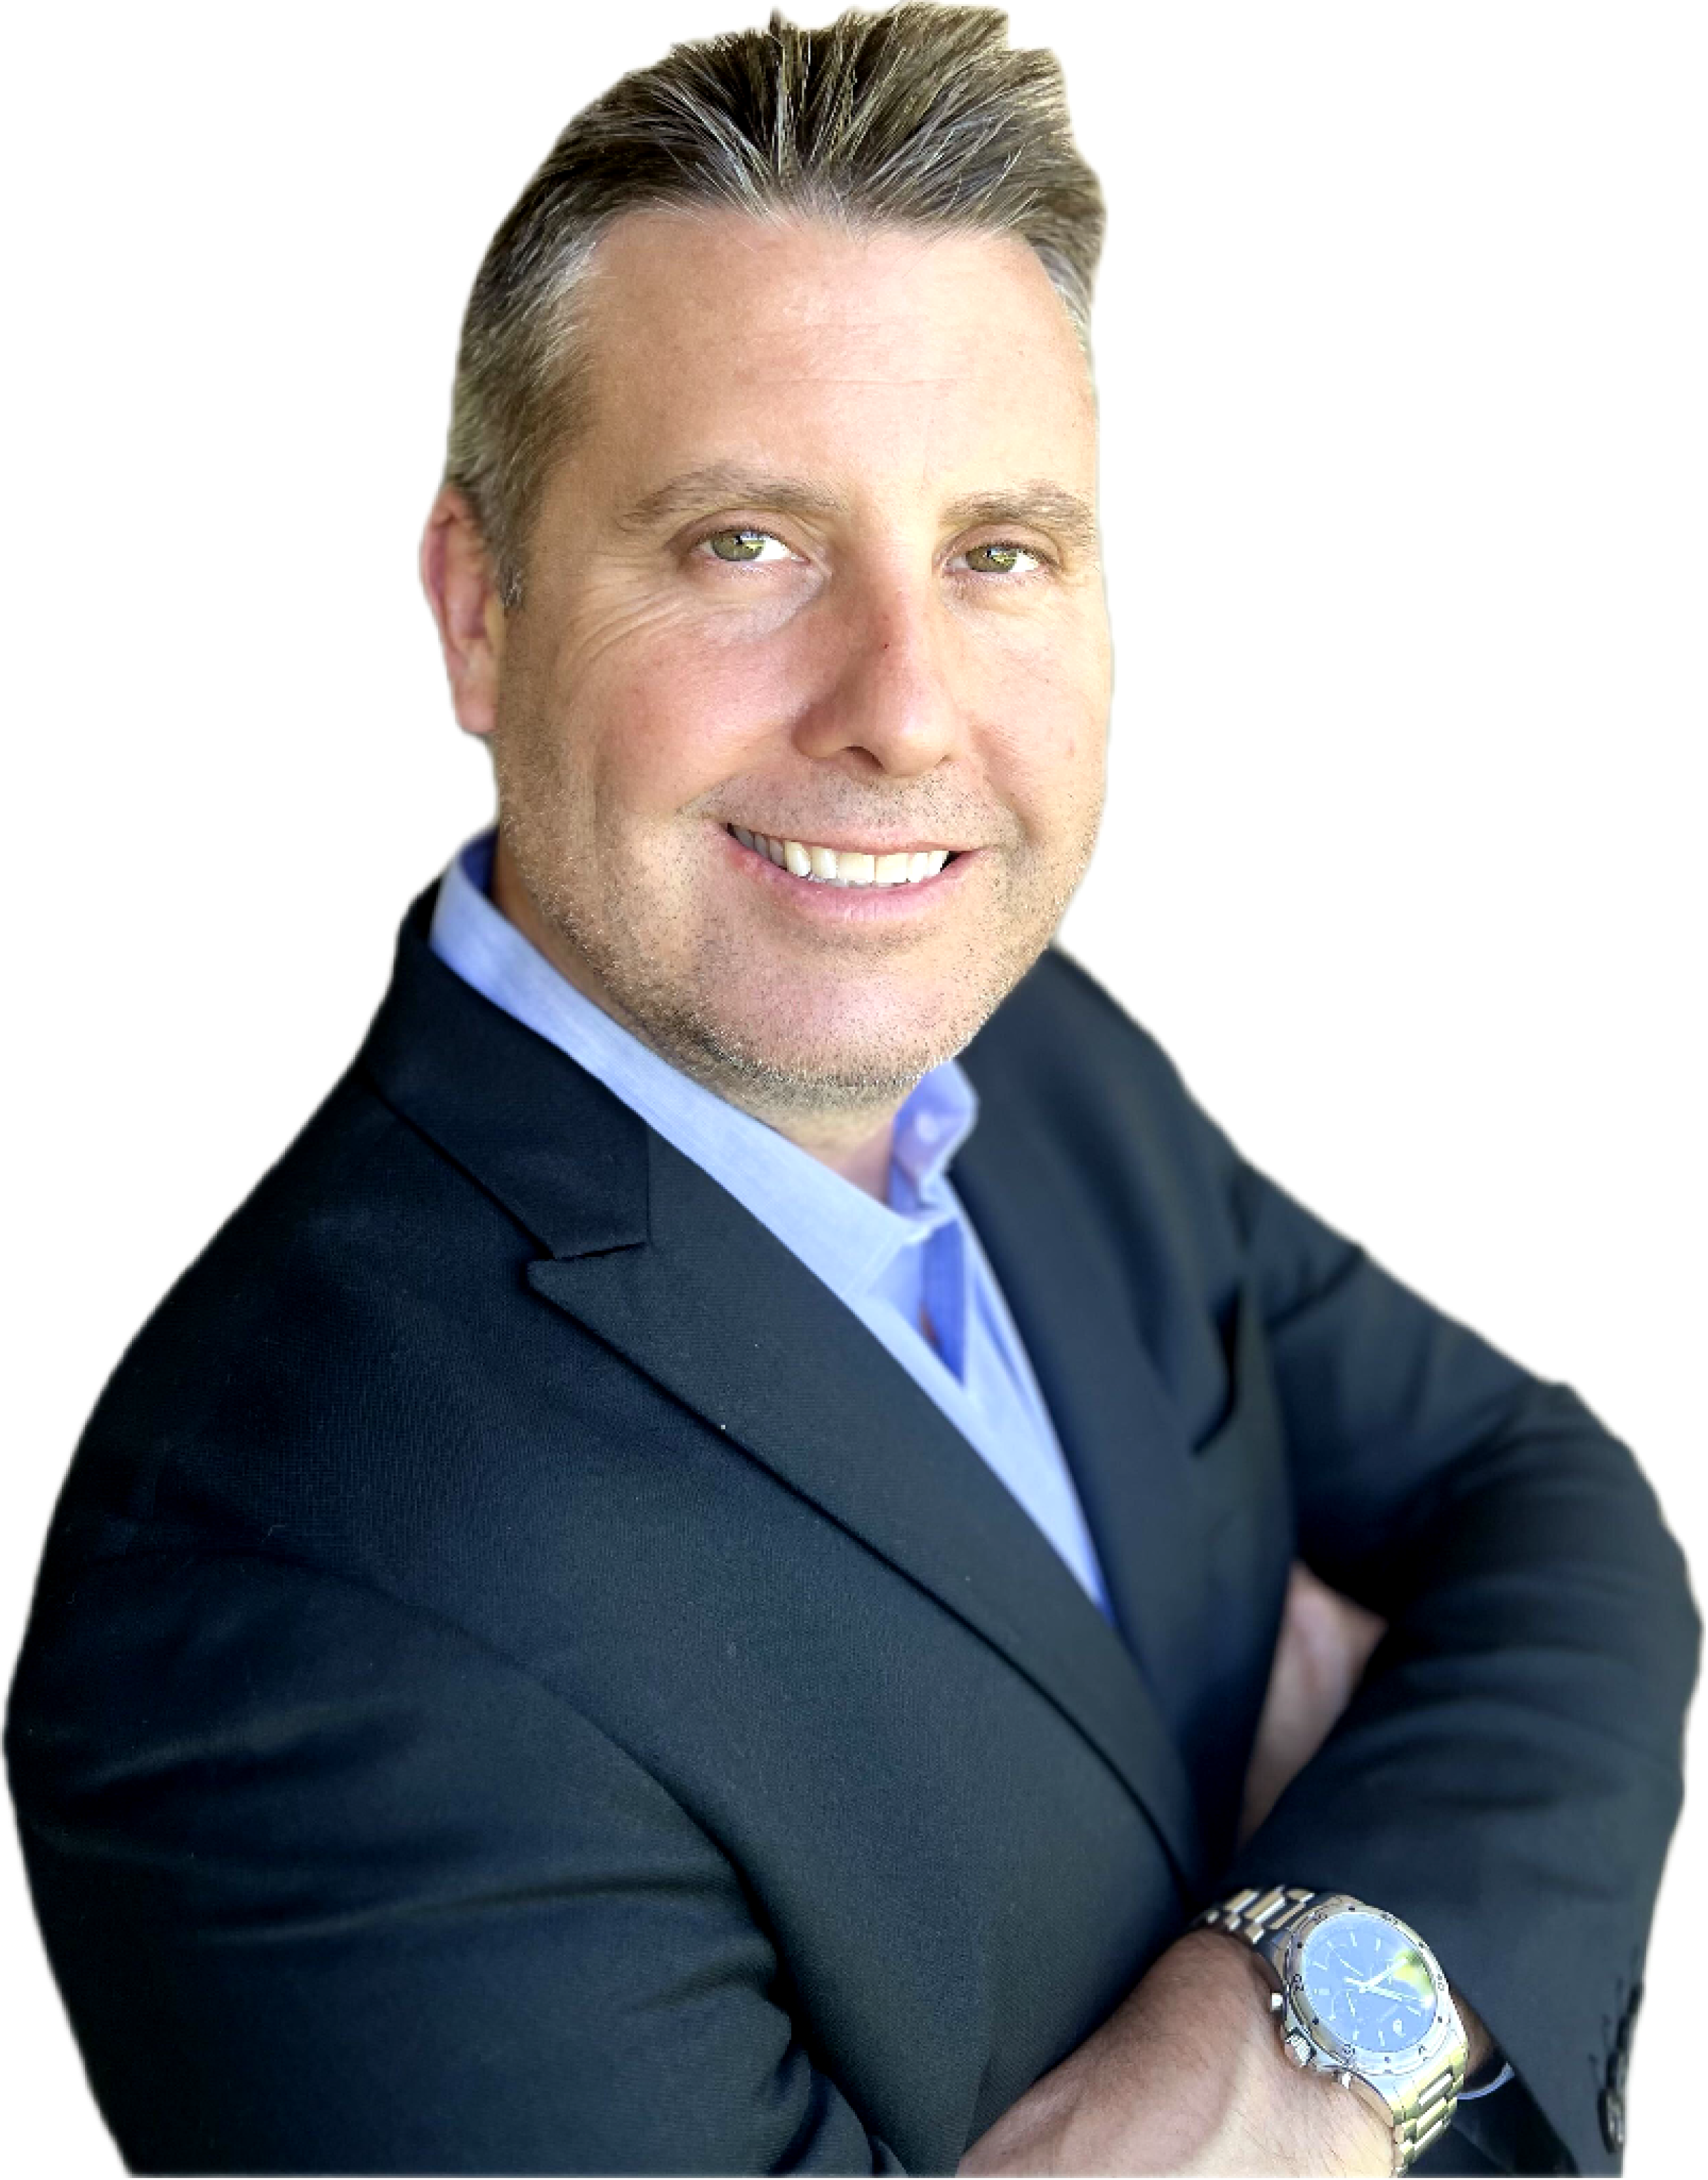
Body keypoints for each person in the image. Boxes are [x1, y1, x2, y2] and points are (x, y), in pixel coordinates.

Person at [3, 3, 1698, 2172]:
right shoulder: (286, 1602)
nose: (901, 713)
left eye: (997, 551)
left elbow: (1556, 1508)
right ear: (475, 613)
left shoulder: (1035, 1047)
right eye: (746, 545)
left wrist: (1289, 2028)